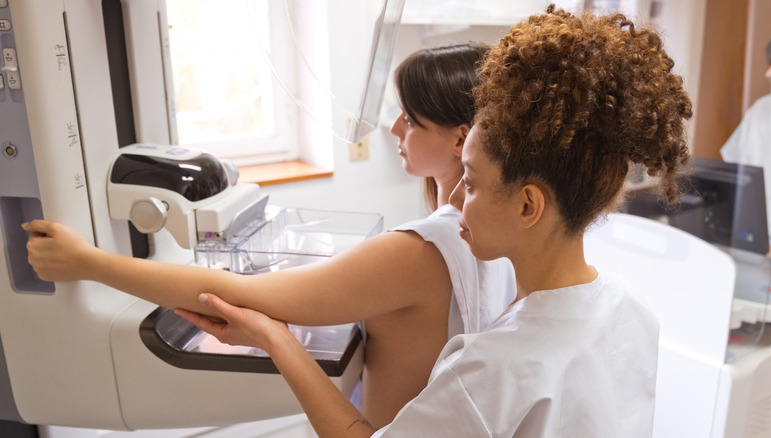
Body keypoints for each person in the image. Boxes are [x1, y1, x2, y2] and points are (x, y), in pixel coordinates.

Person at [174, 6, 693, 437]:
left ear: (529, 206)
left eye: (471, 180)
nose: (458, 200)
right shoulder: (631, 308)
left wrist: (276, 340)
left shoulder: (495, 371)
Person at [23, 43, 516, 428]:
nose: (393, 129)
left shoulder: (419, 252)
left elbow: (225, 294)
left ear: (461, 137)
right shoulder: (499, 229)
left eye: (410, 118)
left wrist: (85, 262)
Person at [720, 33, 771, 259]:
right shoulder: (761, 109)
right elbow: (735, 175)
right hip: (753, 241)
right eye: (770, 64)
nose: (769, 73)